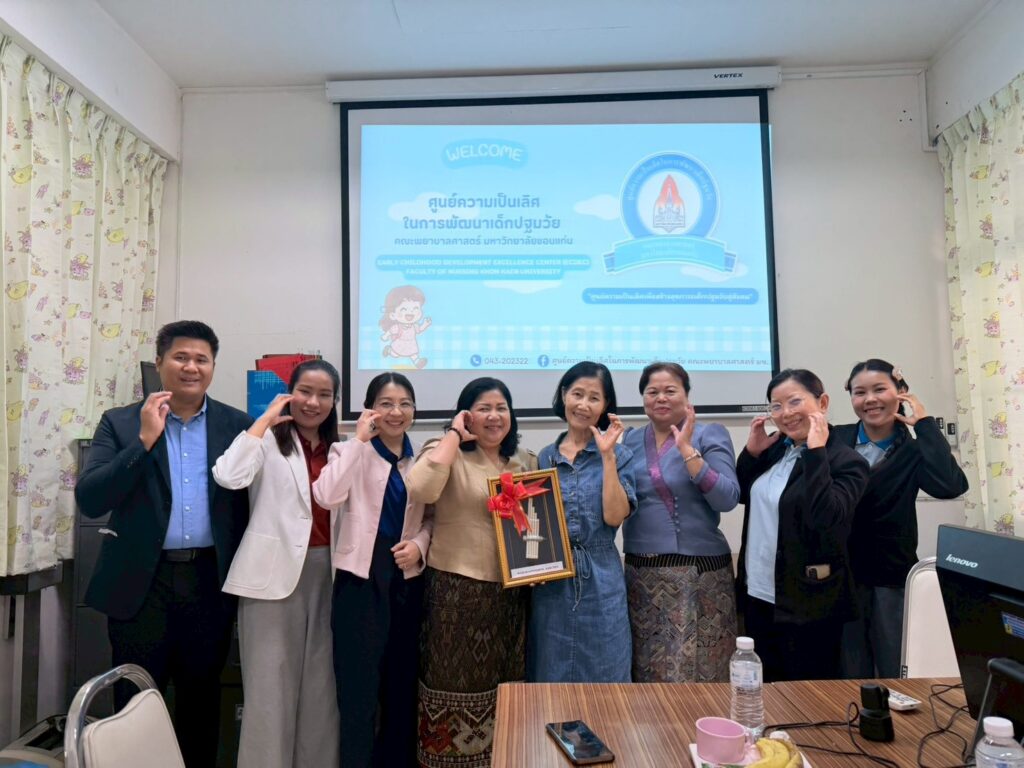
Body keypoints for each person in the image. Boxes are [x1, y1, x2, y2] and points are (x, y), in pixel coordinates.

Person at [75, 320, 252, 767]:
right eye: (181, 357)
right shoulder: (120, 422)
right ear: (159, 363)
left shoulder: (237, 425)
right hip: (141, 585)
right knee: (134, 704)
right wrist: (144, 441)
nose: (191, 367)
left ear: (213, 367)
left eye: (201, 359)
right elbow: (91, 498)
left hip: (208, 583)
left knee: (201, 703)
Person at [211, 359, 341, 768]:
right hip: (271, 580)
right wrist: (265, 419)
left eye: (324, 395)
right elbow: (228, 476)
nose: (313, 402)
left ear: (334, 402)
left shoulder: (339, 448)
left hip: (328, 576)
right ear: (289, 393)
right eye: (305, 391)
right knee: (269, 692)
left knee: (321, 691)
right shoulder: (266, 439)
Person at [407, 377, 535, 768]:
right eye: (484, 408)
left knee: (506, 690)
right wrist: (452, 435)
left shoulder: (525, 461)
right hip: (455, 594)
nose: (494, 416)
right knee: (450, 686)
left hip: (510, 597)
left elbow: (537, 527)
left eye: (501, 408)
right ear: (466, 414)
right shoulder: (446, 450)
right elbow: (420, 489)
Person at [312, 372, 431, 767]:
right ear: (370, 409)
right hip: (360, 581)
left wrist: (419, 545)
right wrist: (358, 441)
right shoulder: (348, 450)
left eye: (405, 404)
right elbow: (326, 495)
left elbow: (434, 518)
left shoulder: (422, 458)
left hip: (407, 579)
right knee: (358, 694)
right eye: (386, 403)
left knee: (401, 690)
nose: (396, 412)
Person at [835, 359, 968, 679]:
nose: (870, 399)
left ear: (901, 392)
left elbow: (950, 486)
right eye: (859, 392)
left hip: (890, 576)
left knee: (894, 671)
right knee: (848, 676)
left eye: (880, 389)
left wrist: (924, 424)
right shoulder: (835, 439)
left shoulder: (915, 449)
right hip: (842, 579)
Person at [735, 368, 869, 682]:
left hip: (808, 602)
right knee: (763, 688)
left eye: (794, 401)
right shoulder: (776, 451)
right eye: (776, 405)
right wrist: (752, 453)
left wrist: (816, 451)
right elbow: (740, 495)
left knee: (806, 695)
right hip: (759, 594)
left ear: (822, 402)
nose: (785, 413)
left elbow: (826, 517)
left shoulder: (847, 461)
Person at [622, 362, 741, 682]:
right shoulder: (630, 440)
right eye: (652, 391)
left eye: (670, 391)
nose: (661, 397)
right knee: (649, 671)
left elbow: (728, 498)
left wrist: (688, 452)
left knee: (702, 672)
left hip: (700, 573)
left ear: (686, 396)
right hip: (641, 574)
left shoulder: (709, 433)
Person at [528, 361, 637, 683]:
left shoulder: (621, 455)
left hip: (601, 579)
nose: (584, 405)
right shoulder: (544, 457)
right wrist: (529, 565)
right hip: (552, 582)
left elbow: (614, 516)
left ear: (605, 405)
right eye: (577, 394)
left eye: (594, 398)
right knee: (550, 675)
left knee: (606, 675)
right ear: (564, 395)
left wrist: (607, 456)